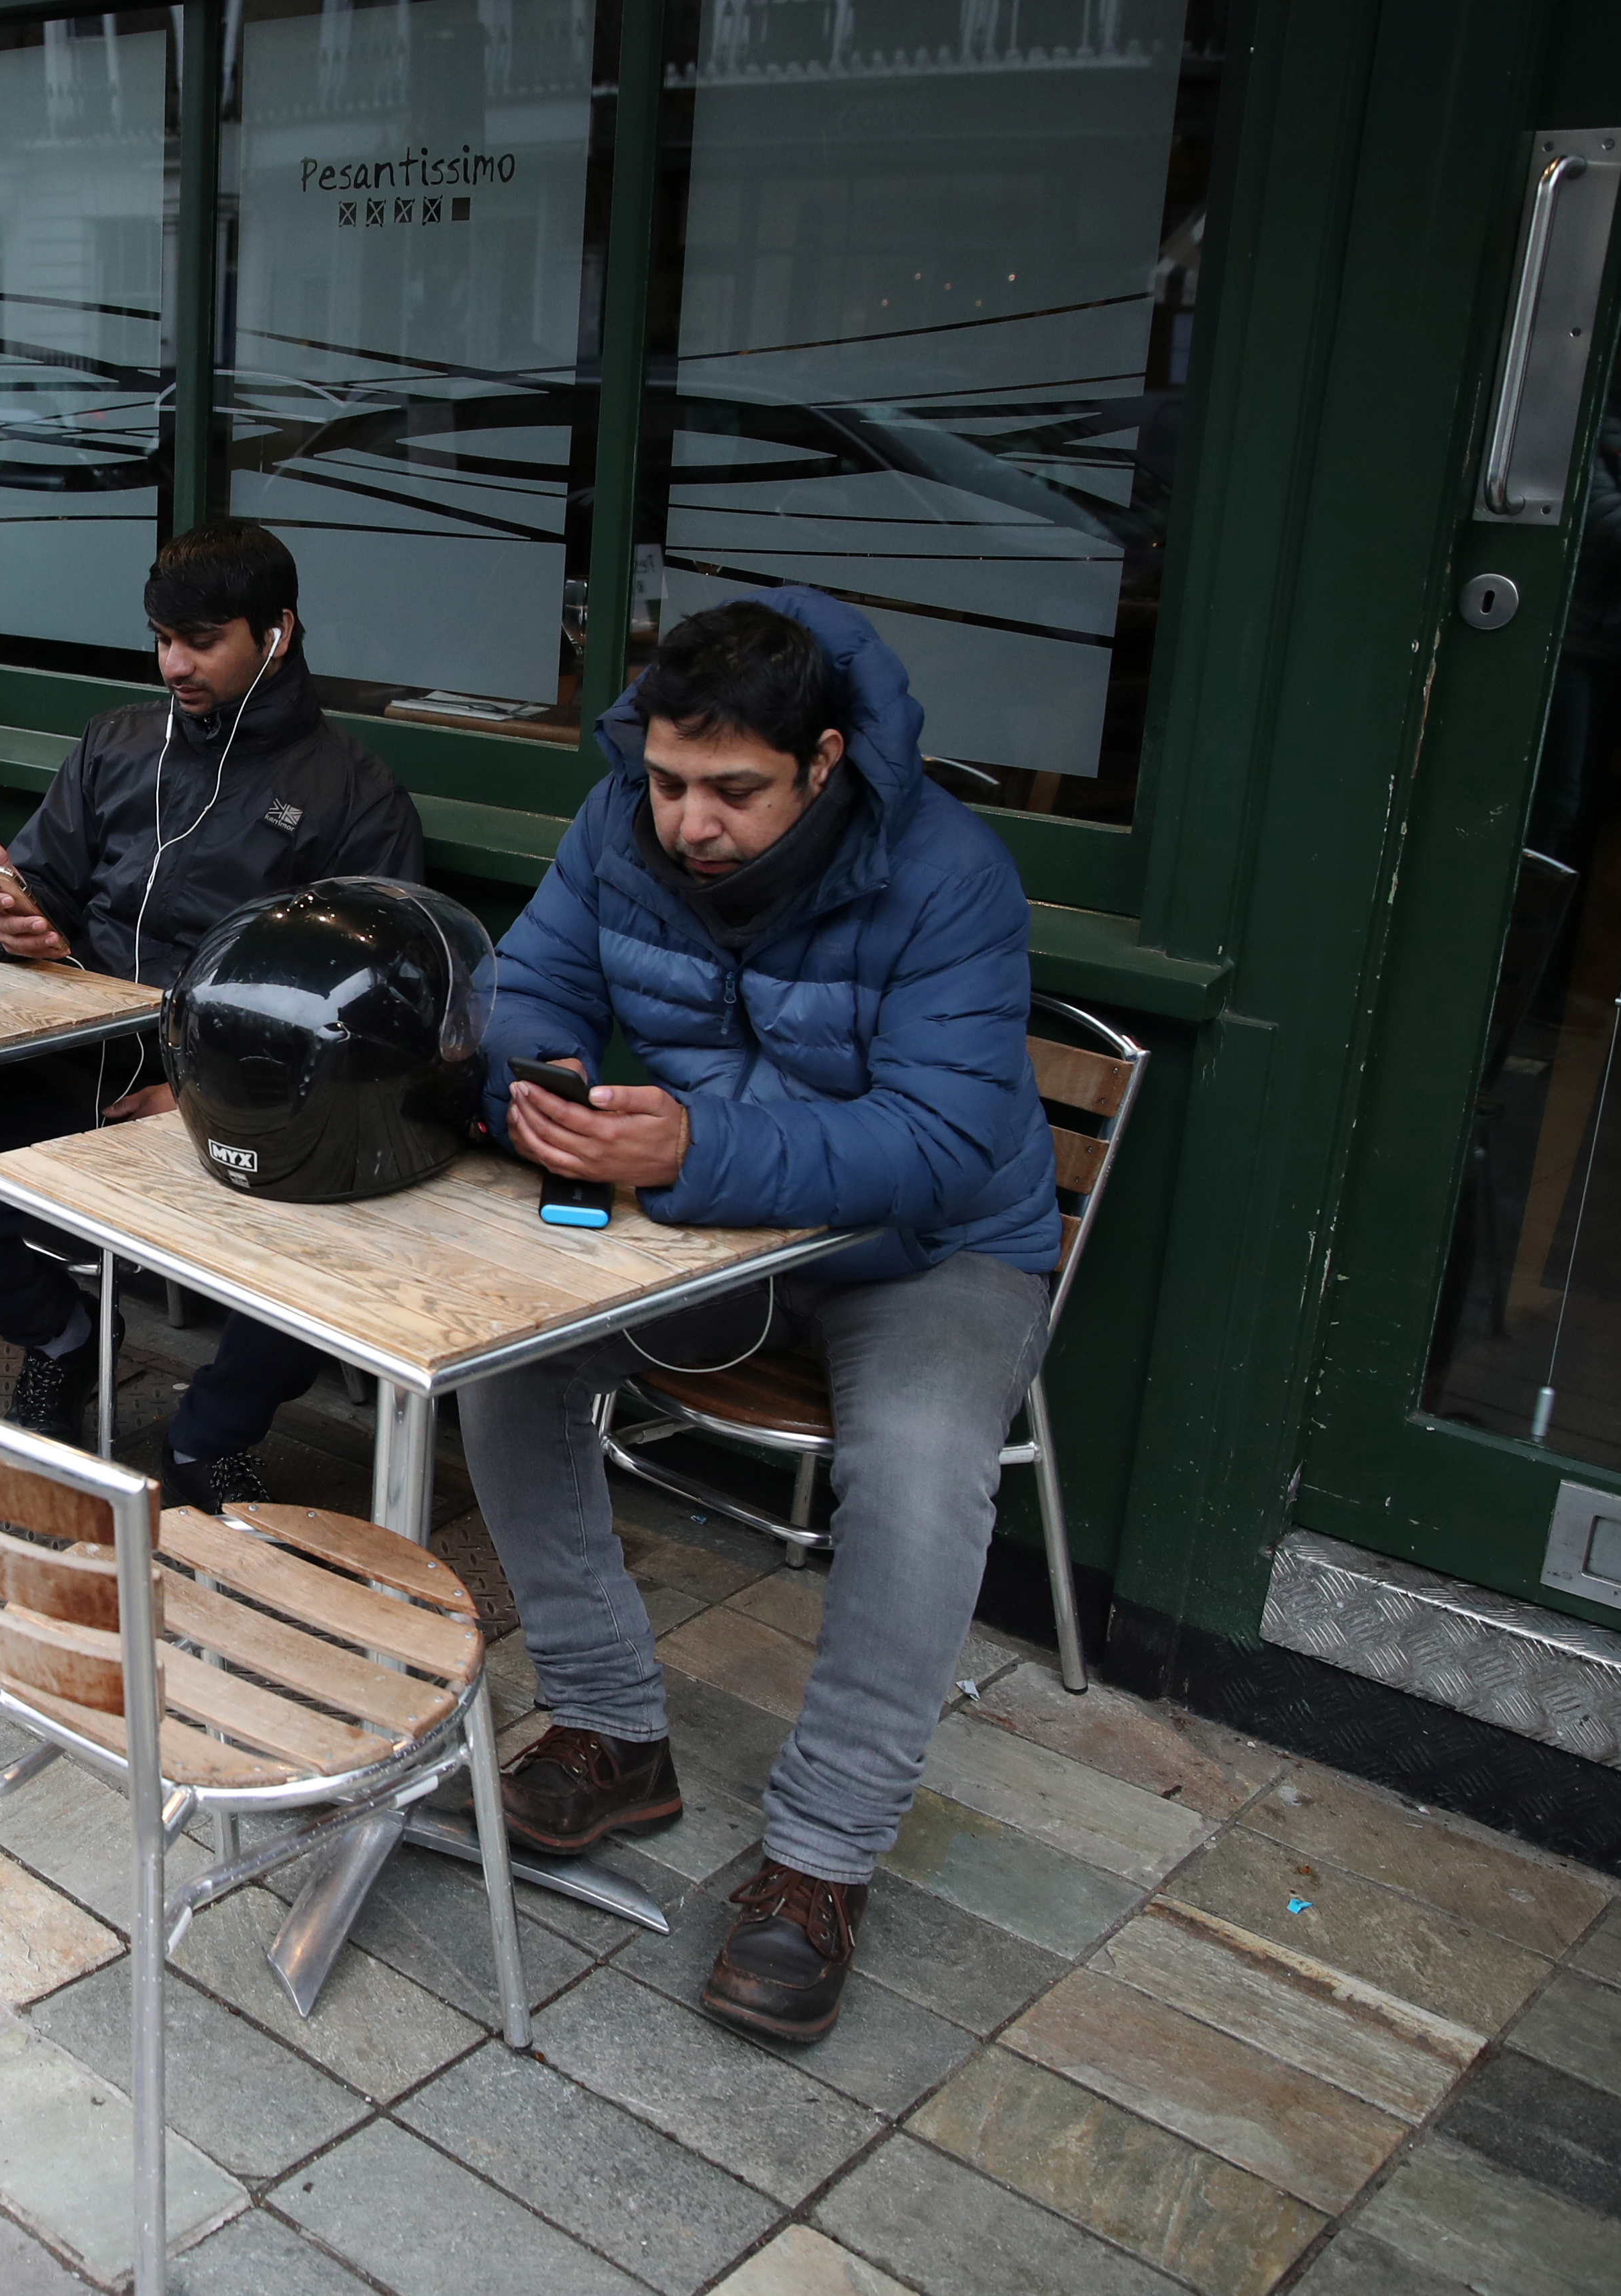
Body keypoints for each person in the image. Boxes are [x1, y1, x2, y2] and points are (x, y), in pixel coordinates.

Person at [462, 589, 1059, 2043]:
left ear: (826, 759)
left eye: (731, 791)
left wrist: (686, 1152)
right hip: (702, 1226)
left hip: (927, 1248)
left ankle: (818, 1861)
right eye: (666, 781)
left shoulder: (947, 873)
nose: (686, 823)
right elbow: (526, 985)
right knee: (495, 1359)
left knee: (917, 1473)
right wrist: (543, 1098)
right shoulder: (615, 823)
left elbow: (939, 1134)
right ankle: (610, 1727)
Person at [0, 521, 425, 1510]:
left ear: (277, 631)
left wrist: (203, 1096)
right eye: (161, 637)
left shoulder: (351, 788)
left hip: (241, 1108)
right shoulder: (117, 742)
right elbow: (29, 884)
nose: (175, 662)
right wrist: (11, 919)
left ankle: (208, 1439)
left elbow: (364, 1002)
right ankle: (65, 1333)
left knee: (323, 1253)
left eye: (202, 640)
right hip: (72, 1063)